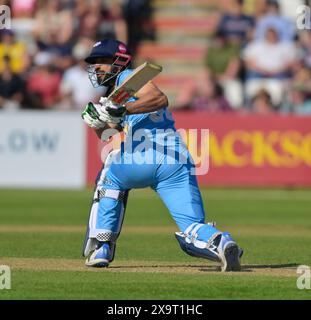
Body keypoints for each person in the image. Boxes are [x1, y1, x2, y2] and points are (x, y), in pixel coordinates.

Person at [81, 39, 243, 272]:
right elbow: (112, 136)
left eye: (101, 62)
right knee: (191, 226)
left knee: (110, 173)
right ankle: (221, 242)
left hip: (145, 155)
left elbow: (159, 99)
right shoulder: (114, 97)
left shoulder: (127, 77)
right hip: (176, 160)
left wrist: (123, 109)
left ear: (118, 62)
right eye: (94, 63)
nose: (96, 67)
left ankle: (102, 245)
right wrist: (98, 123)